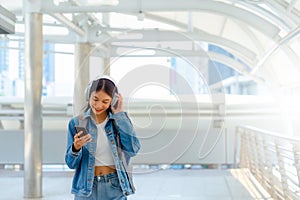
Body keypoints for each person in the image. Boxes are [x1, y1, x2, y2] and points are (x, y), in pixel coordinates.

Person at [65, 76, 141, 200]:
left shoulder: (119, 122)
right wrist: (75, 148)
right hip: (86, 188)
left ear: (113, 101)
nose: (99, 105)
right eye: (95, 99)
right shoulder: (78, 123)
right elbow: (71, 164)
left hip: (115, 186)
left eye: (105, 101)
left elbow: (133, 150)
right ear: (88, 97)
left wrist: (120, 115)